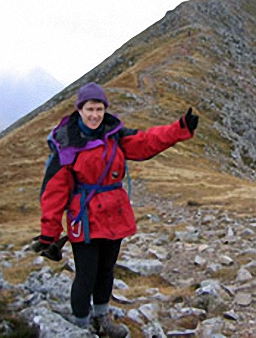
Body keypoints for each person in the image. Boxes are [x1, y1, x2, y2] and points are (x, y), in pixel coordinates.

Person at [32, 82, 199, 336]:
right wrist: (49, 233)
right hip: (85, 218)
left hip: (114, 216)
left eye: (99, 109)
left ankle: (102, 318)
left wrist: (179, 129)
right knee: (85, 275)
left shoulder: (115, 134)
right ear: (79, 109)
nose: (95, 115)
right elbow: (54, 192)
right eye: (89, 109)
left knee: (106, 271)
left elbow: (146, 142)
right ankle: (80, 326)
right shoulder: (66, 144)